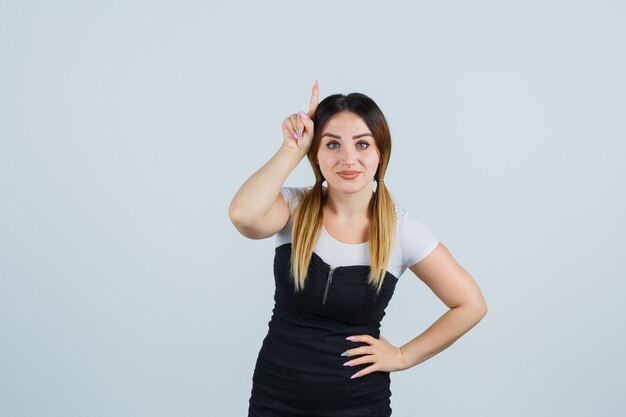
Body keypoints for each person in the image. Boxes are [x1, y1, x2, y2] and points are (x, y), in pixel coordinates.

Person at [228, 80, 488, 417]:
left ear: (380, 154)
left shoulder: (402, 230)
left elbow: (470, 305)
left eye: (362, 145)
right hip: (275, 397)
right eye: (332, 145)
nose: (348, 159)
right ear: (316, 155)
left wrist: (403, 356)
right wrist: (291, 149)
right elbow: (243, 215)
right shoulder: (292, 207)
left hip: (358, 406)